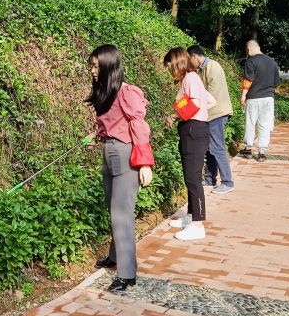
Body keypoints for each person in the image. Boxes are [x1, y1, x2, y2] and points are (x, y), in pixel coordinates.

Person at [87, 45, 154, 292]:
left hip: (126, 154)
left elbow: (139, 127)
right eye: (92, 66)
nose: (93, 71)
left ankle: (127, 273)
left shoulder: (128, 92)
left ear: (109, 66)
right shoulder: (106, 92)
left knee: (121, 212)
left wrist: (145, 163)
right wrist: (98, 134)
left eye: (96, 66)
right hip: (109, 152)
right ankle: (115, 257)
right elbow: (111, 124)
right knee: (113, 207)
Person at [163, 47, 216, 241]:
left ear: (177, 63)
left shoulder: (190, 78)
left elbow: (194, 104)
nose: (169, 70)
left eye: (169, 65)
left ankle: (198, 225)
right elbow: (210, 101)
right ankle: (191, 218)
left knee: (193, 179)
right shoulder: (192, 79)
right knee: (190, 177)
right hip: (193, 129)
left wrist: (174, 115)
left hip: (193, 130)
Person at [187, 45, 234, 194]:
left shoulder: (213, 66)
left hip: (217, 113)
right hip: (210, 114)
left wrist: (195, 109)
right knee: (210, 148)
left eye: (189, 59)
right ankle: (209, 178)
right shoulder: (202, 69)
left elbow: (212, 95)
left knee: (217, 147)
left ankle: (228, 181)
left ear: (194, 56)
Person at [239, 40, 280, 162]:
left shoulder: (250, 61)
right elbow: (276, 83)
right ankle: (262, 153)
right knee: (265, 125)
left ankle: (248, 149)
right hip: (268, 98)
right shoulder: (272, 62)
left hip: (253, 97)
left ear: (248, 49)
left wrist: (243, 96)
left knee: (250, 123)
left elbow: (248, 80)